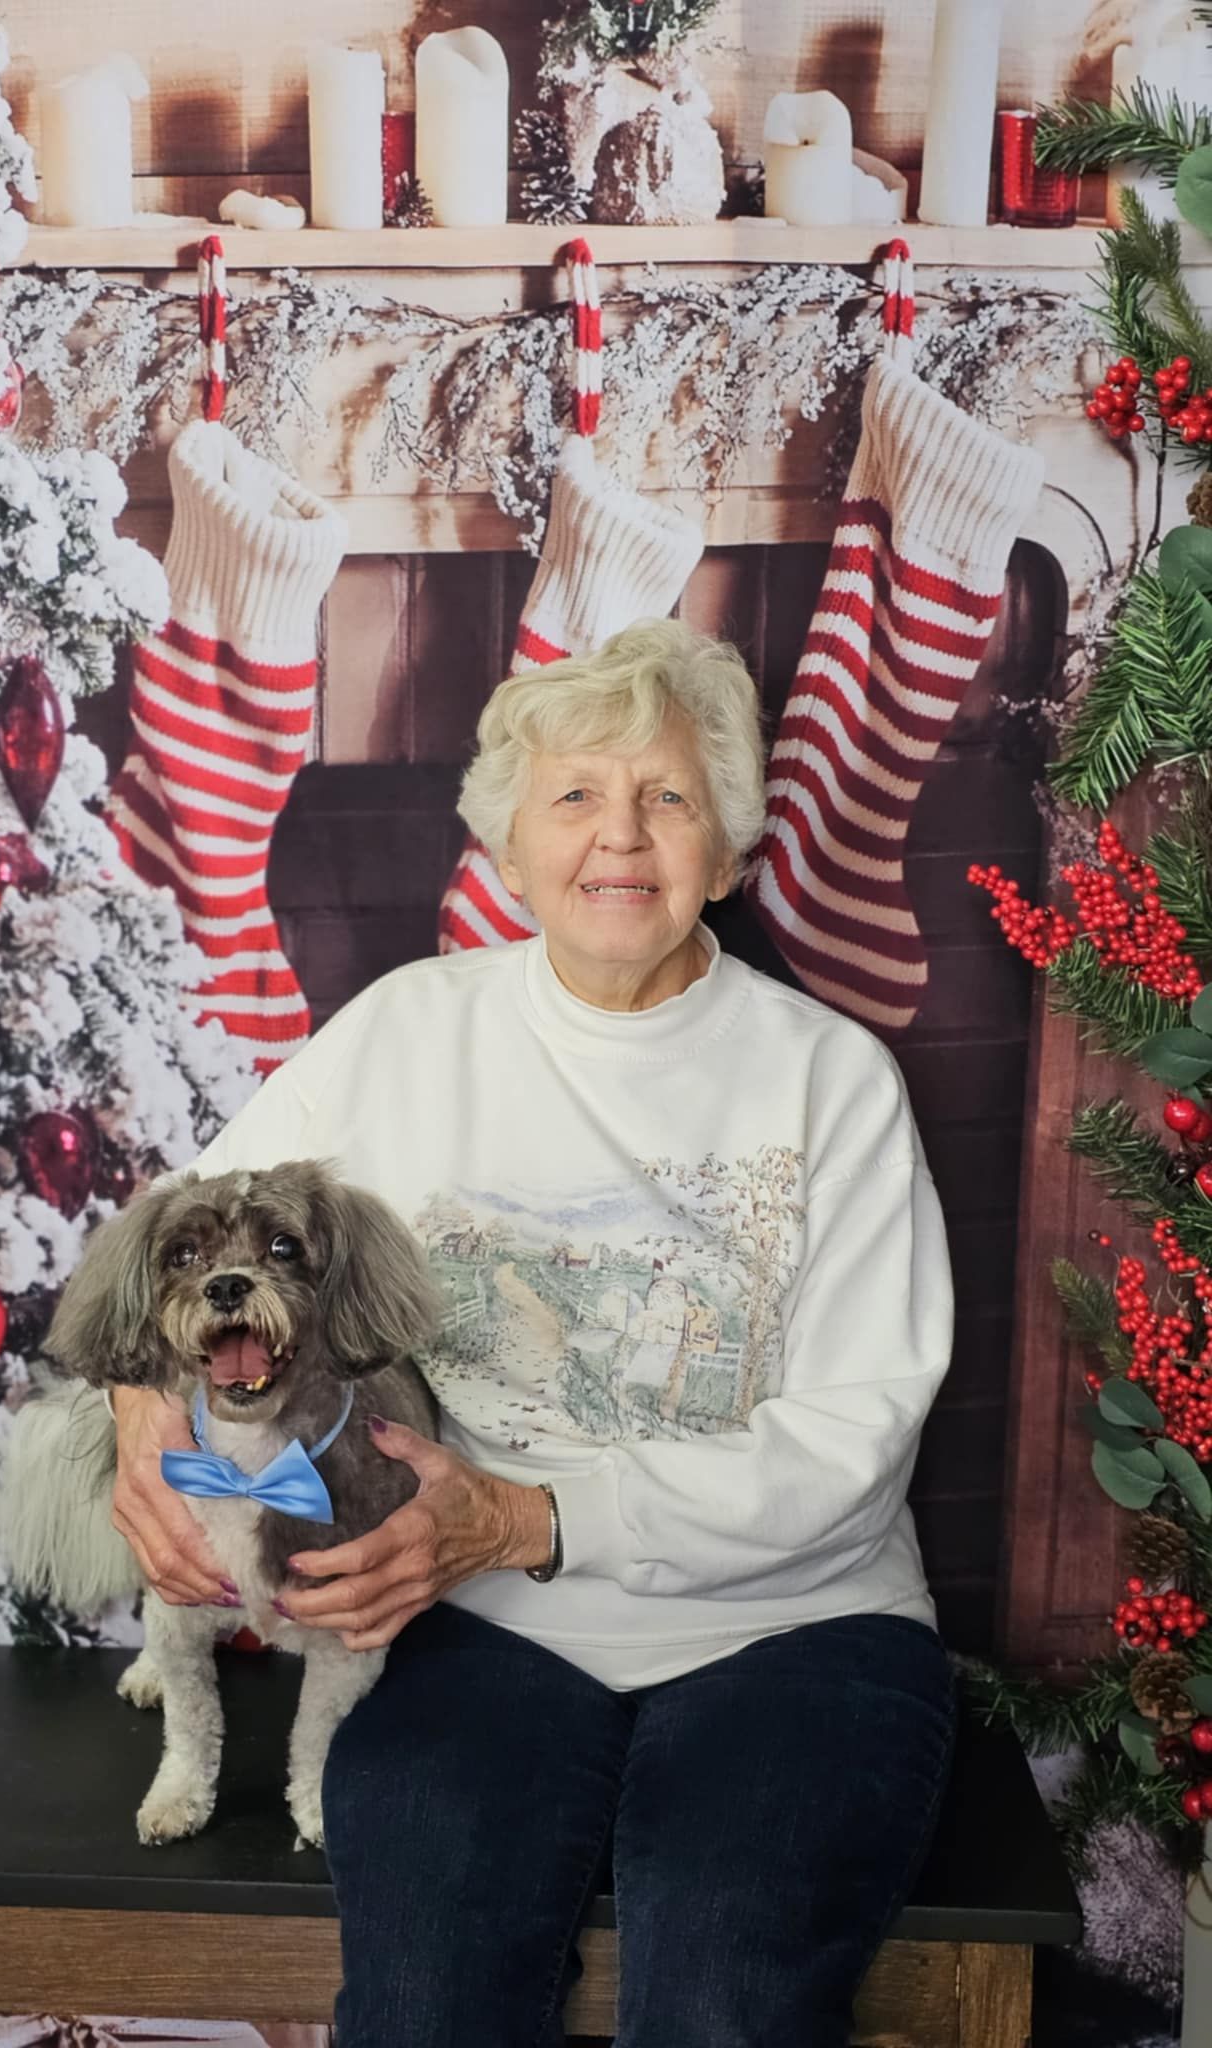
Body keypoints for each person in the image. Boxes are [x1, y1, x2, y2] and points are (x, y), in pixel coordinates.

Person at [109, 616, 958, 2047]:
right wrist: (143, 1410)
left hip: (800, 1627)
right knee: (426, 1995)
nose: (618, 836)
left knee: (723, 1991)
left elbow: (853, 1448)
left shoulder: (833, 1081)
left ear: (731, 847)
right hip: (484, 1625)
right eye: (574, 796)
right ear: (508, 847)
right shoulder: (406, 1033)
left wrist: (522, 1517)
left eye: (666, 797)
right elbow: (188, 1225)